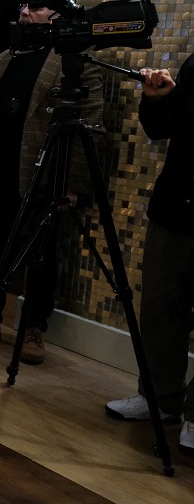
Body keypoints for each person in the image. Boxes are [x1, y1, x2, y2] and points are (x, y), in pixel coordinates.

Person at [0, 0, 104, 364]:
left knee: (40, 255)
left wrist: (73, 184)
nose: (23, 13)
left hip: (42, 175)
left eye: (34, 8)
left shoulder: (74, 63)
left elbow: (90, 127)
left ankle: (34, 328)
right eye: (22, 7)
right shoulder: (4, 58)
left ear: (57, 17)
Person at [105, 56, 194, 454]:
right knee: (159, 310)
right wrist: (158, 99)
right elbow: (163, 130)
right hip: (175, 209)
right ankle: (159, 398)